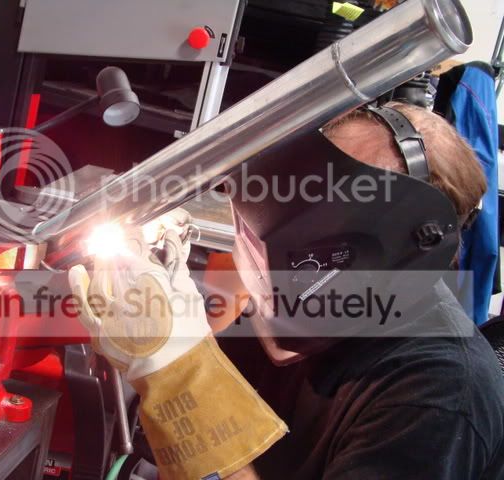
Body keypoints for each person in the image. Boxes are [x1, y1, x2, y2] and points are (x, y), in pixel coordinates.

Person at [69, 102, 504, 479]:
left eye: (335, 207)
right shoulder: (308, 311)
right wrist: (174, 311)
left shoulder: (440, 398)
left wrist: (175, 373)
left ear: (394, 244)